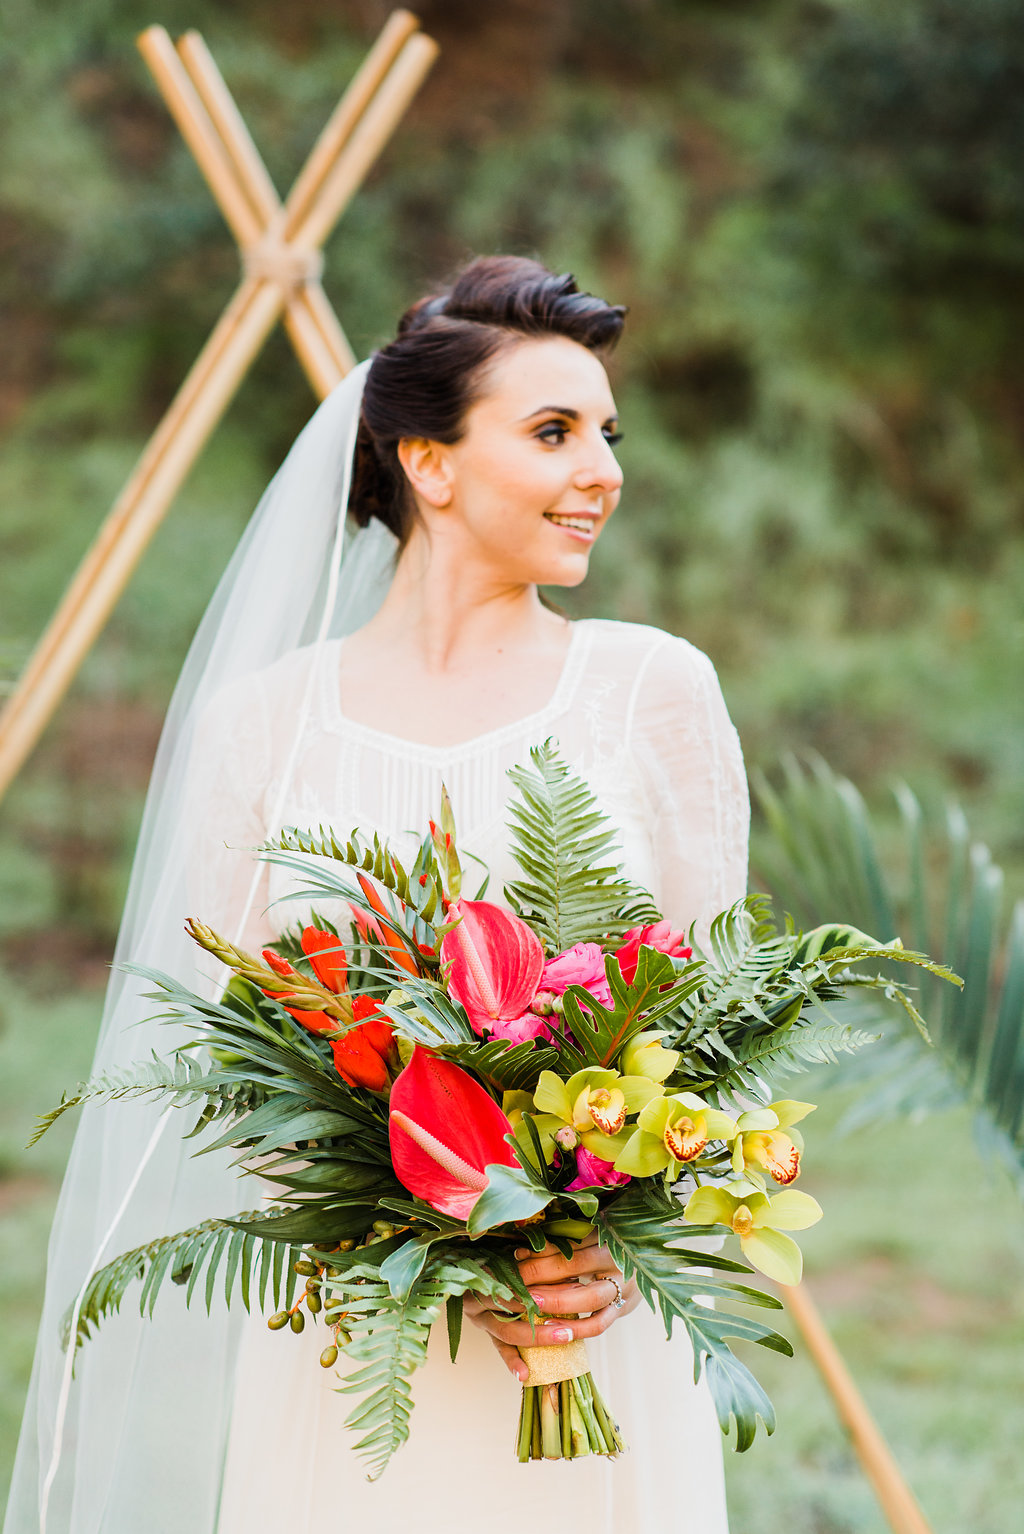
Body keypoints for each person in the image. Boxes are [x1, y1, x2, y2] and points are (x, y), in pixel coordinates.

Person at [6, 256, 749, 1533]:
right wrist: (411, 1234)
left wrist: (600, 1242)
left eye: (607, 435)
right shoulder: (262, 727)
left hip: (591, 1328)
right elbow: (229, 1073)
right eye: (555, 432)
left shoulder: (652, 691)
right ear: (431, 461)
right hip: (359, 1353)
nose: (604, 473)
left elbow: (718, 1027)